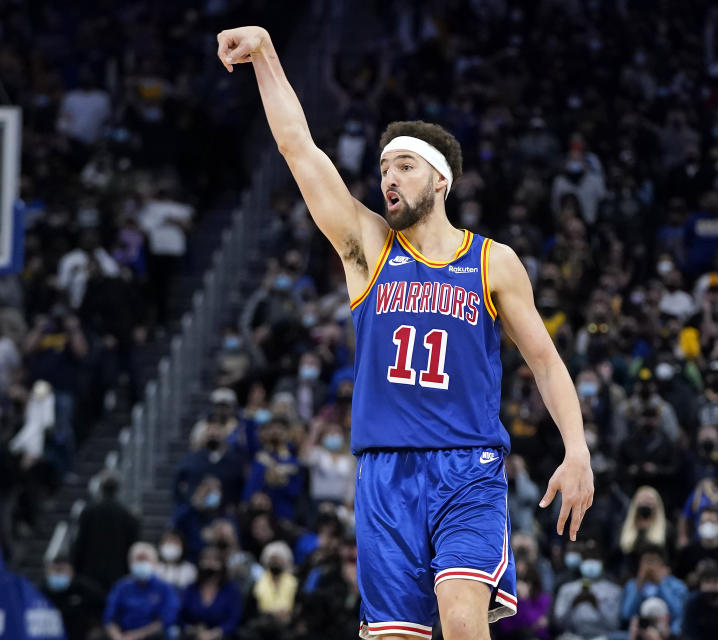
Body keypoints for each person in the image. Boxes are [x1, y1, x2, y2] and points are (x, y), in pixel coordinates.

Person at [217, 25, 593, 640]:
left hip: (467, 466)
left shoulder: (493, 261)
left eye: (405, 165)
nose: (388, 177)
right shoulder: (367, 249)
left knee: (463, 622)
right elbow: (299, 149)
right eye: (384, 167)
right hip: (384, 476)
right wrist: (265, 51)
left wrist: (576, 448)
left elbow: (547, 364)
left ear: (440, 180)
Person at [71, 473, 140, 592]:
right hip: (118, 573)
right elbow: (133, 546)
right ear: (118, 489)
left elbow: (79, 543)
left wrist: (76, 568)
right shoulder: (128, 516)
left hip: (89, 573)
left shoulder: (88, 512)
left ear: (100, 488)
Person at [103, 542, 180, 640]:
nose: (142, 564)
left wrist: (137, 635)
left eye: (145, 560)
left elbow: (166, 619)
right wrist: (117, 636)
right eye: (138, 560)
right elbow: (109, 617)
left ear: (154, 563)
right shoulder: (121, 587)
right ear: (130, 563)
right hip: (123, 634)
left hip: (152, 636)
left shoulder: (165, 588)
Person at [551, 541, 622, 639]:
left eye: (594, 558)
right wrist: (573, 604)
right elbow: (558, 624)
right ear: (581, 562)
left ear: (602, 562)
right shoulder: (566, 589)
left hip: (603, 636)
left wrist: (596, 605)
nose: (590, 562)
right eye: (586, 558)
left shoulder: (614, 591)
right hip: (573, 636)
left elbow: (614, 625)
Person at [179, 546, 243, 640]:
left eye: (214, 560)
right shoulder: (191, 588)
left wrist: (213, 634)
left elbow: (234, 619)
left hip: (222, 636)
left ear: (222, 565)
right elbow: (181, 616)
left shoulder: (231, 590)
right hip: (194, 635)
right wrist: (192, 630)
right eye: (205, 560)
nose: (209, 564)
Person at [620, 545, 687, 635]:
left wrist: (661, 584)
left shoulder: (677, 585)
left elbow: (678, 613)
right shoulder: (632, 585)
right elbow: (627, 615)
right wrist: (639, 586)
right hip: (638, 633)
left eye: (653, 561)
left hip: (668, 634)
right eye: (646, 561)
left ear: (662, 564)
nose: (649, 566)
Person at [42, 555, 106, 640]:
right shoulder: (40, 592)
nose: (58, 574)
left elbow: (105, 607)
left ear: (71, 571)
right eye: (55, 570)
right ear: (47, 573)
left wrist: (98, 628)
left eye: (62, 570)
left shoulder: (86, 589)